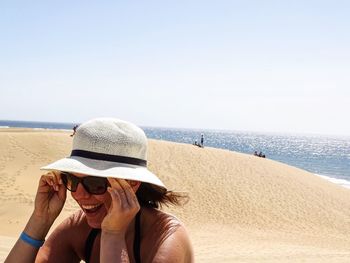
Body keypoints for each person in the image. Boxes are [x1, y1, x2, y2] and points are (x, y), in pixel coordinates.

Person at [5, 117, 194, 263]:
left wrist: (113, 234)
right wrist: (40, 221)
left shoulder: (166, 237)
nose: (79, 194)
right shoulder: (81, 227)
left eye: (95, 183)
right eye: (71, 179)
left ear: (132, 184)